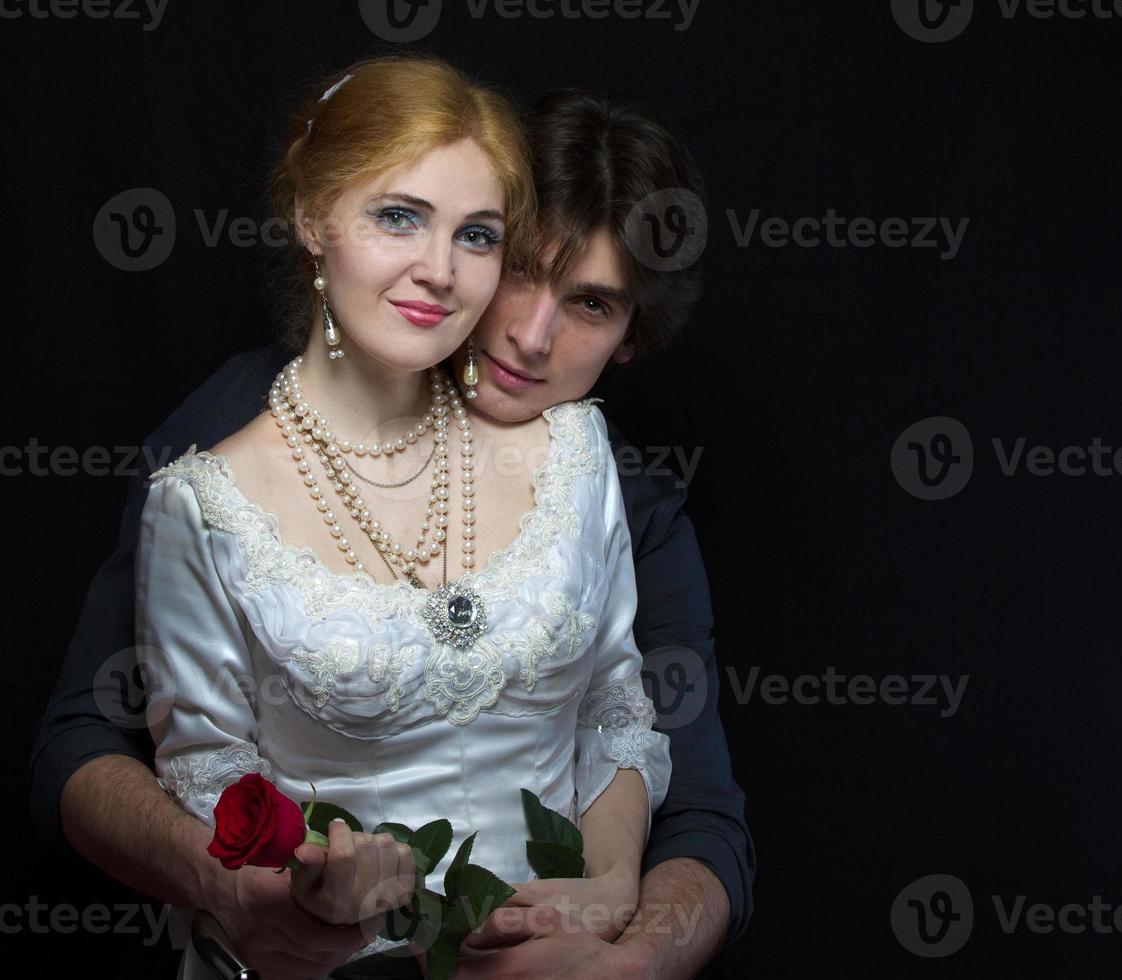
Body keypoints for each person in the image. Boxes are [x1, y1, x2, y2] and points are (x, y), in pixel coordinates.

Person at [29, 76, 755, 980]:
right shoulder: (212, 462)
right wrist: (257, 890)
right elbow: (88, 741)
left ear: (629, 340)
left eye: (590, 304)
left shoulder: (599, 466)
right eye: (521, 264)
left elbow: (685, 786)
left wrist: (626, 937)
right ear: (314, 221)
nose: (530, 335)